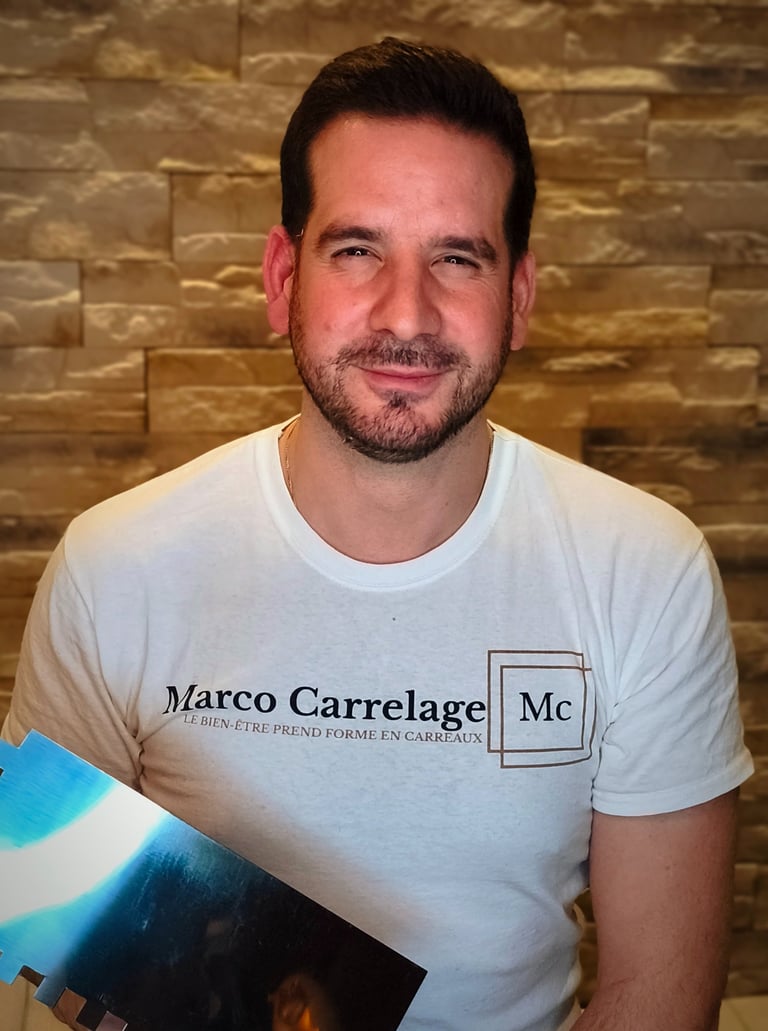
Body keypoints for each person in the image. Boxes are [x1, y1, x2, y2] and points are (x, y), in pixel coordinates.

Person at [3, 36, 754, 1031]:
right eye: (357, 249)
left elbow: (656, 996)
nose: (407, 313)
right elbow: (59, 938)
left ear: (520, 297)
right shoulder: (115, 567)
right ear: (283, 279)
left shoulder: (646, 571)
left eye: (457, 257)